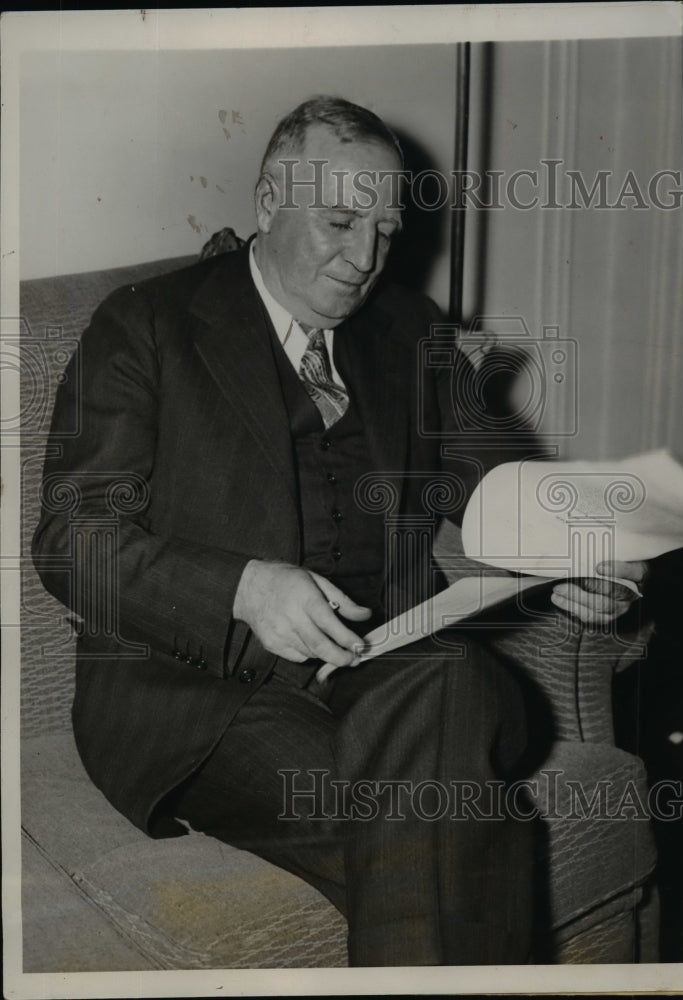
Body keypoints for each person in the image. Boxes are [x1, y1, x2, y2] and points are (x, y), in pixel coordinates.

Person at [32, 96, 646, 967]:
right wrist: (243, 588)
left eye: (386, 231)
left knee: (449, 687)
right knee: (443, 832)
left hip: (397, 672)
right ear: (268, 201)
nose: (364, 259)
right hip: (205, 697)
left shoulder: (409, 328)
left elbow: (498, 481)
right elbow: (72, 539)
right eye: (340, 222)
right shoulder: (147, 324)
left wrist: (573, 546)